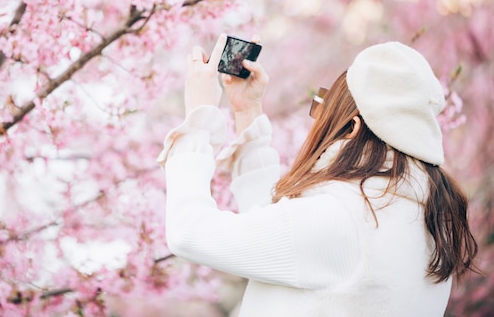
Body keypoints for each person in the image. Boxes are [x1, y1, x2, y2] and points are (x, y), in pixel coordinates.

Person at [156, 35, 478, 317]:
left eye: (322, 108)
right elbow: (282, 237)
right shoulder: (428, 219)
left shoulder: (344, 216)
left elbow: (190, 232)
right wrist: (247, 114)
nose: (316, 122)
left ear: (351, 128)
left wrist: (198, 121)